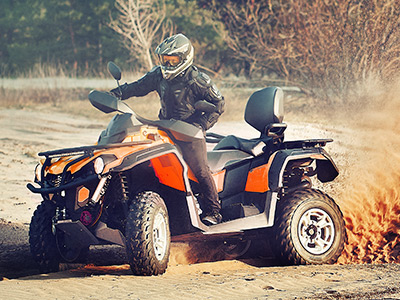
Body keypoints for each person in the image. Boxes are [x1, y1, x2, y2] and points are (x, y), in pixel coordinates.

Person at [110, 33, 225, 225]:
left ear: (185, 58)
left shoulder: (198, 80)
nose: (168, 64)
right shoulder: (158, 75)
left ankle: (214, 211)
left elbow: (219, 104)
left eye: (173, 60)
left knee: (200, 170)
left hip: (189, 132)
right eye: (165, 59)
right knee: (147, 164)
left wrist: (202, 125)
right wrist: (120, 92)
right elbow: (139, 87)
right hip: (164, 128)